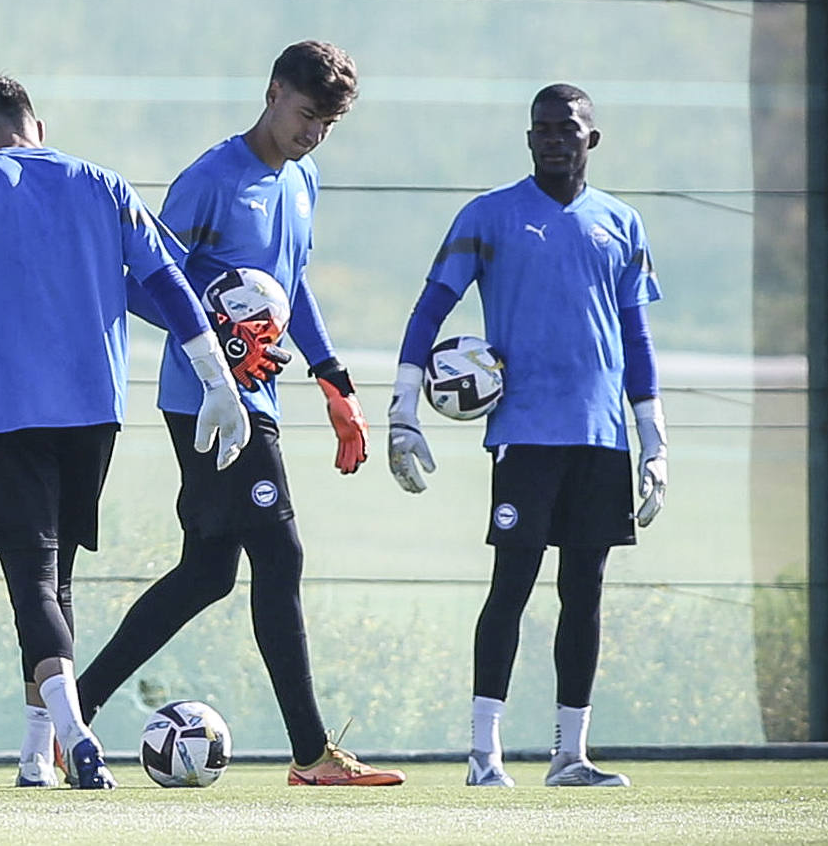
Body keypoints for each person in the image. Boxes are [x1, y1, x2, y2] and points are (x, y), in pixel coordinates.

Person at [0, 75, 250, 790]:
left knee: (31, 582)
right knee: (59, 577)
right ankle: (35, 752)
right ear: (38, 126)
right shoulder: (104, 184)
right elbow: (166, 284)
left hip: (13, 414)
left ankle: (74, 734)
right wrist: (218, 381)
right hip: (95, 413)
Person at [73, 41, 404, 787]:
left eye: (327, 123)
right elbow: (140, 281)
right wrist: (218, 338)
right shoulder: (212, 178)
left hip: (259, 395)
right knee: (280, 555)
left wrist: (333, 379)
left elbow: (292, 286)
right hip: (205, 401)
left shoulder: (303, 177)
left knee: (206, 574)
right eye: (305, 115)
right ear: (272, 91)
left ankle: (74, 714)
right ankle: (312, 754)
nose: (312, 133)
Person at [387, 83, 667, 788]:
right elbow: (431, 306)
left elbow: (635, 334)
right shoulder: (490, 215)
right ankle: (484, 753)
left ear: (590, 139)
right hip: (525, 434)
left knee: (584, 591)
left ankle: (568, 753)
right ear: (528, 138)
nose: (551, 138)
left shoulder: (620, 224)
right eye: (539, 128)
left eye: (565, 128)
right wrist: (401, 407)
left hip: (601, 436)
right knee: (510, 583)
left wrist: (653, 438)